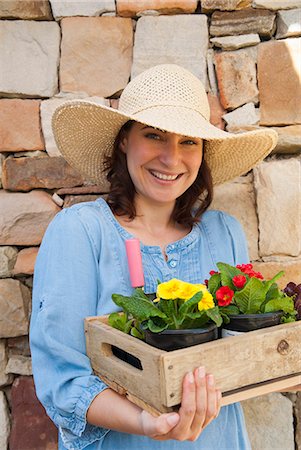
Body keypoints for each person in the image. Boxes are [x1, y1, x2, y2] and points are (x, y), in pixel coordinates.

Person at [30, 64, 278, 450]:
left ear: (203, 151)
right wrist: (146, 421)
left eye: (188, 142)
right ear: (125, 140)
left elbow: (244, 354)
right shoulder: (80, 233)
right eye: (154, 136)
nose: (171, 158)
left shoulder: (224, 233)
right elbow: (63, 380)